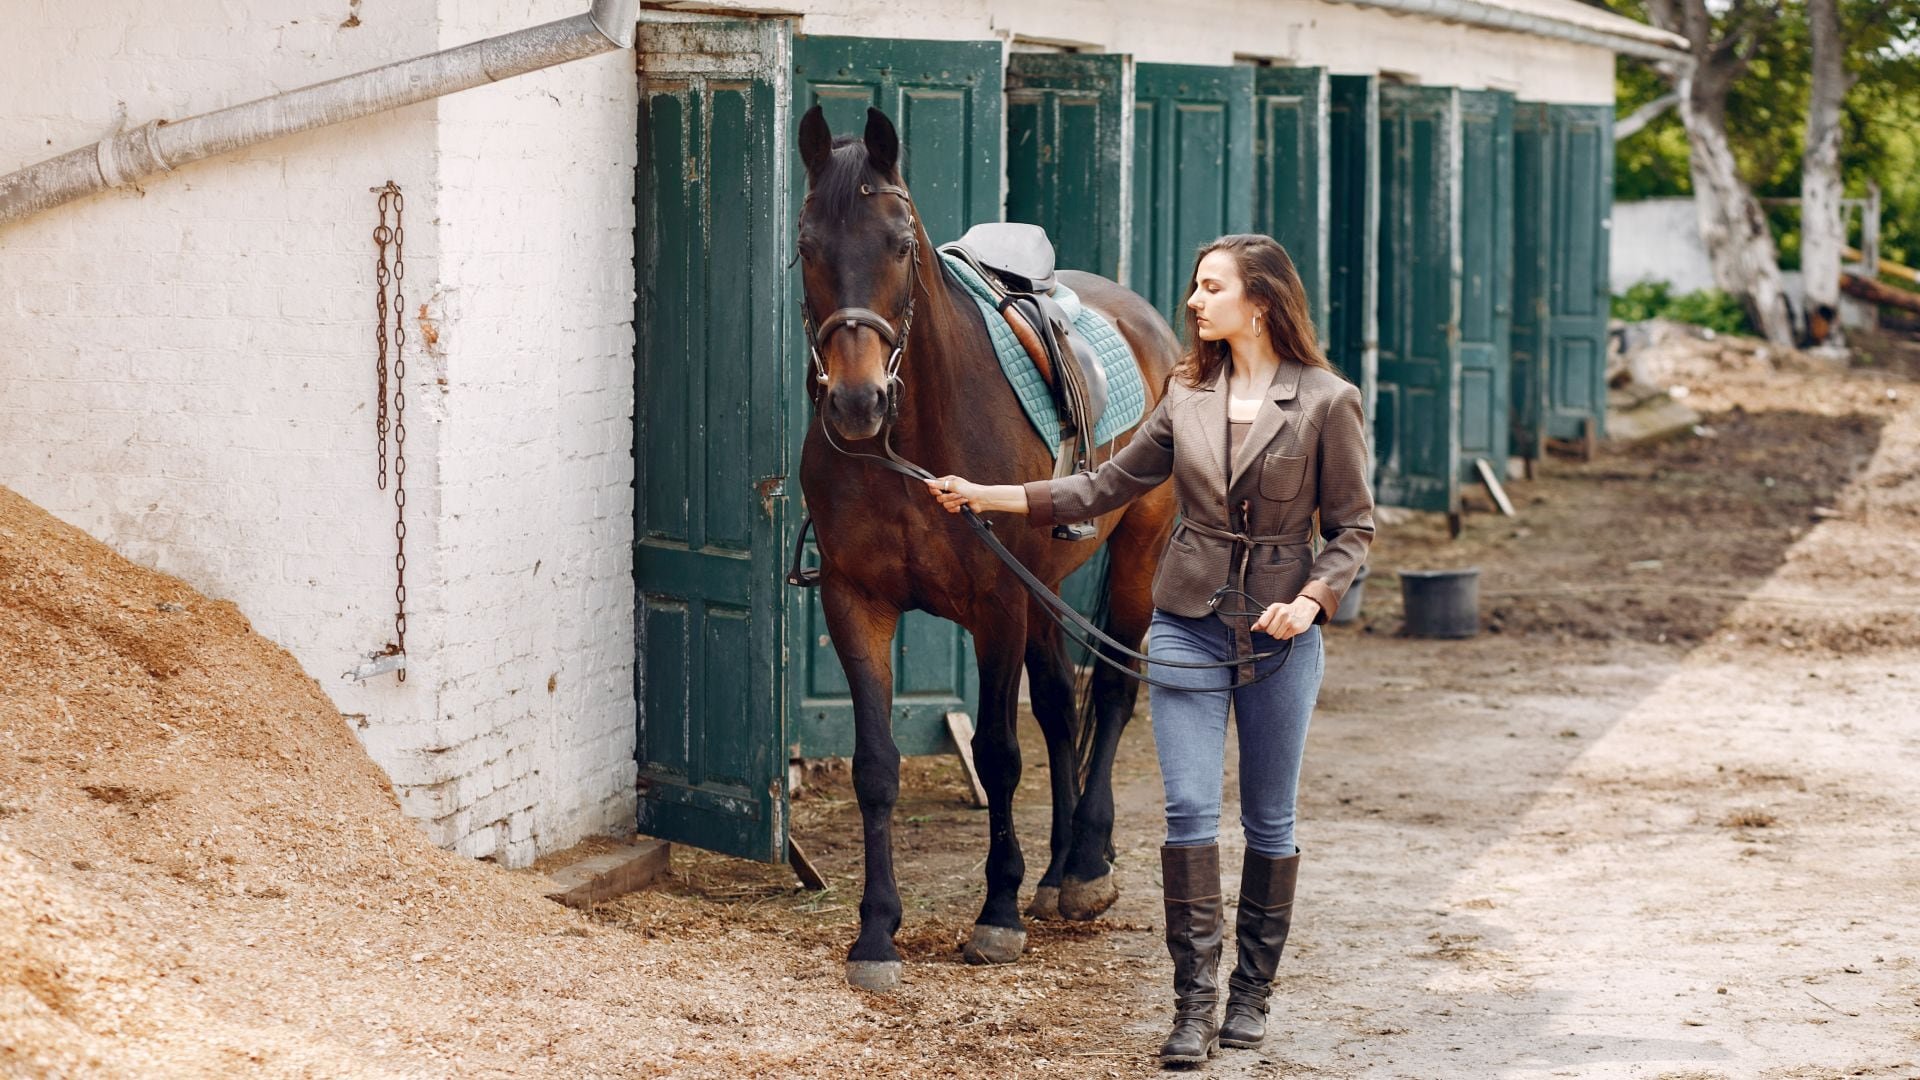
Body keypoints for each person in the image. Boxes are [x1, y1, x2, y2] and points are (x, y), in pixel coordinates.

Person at [926, 234, 1374, 1066]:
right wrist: (987, 494)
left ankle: (1251, 997)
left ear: (1262, 302)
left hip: (1280, 636)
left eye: (1212, 289)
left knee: (1269, 820)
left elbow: (1353, 531)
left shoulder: (1325, 401)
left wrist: (1312, 601)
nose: (1195, 303)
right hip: (1186, 624)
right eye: (1197, 287)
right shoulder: (1187, 394)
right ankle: (1191, 1007)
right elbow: (1103, 487)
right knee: (1188, 815)